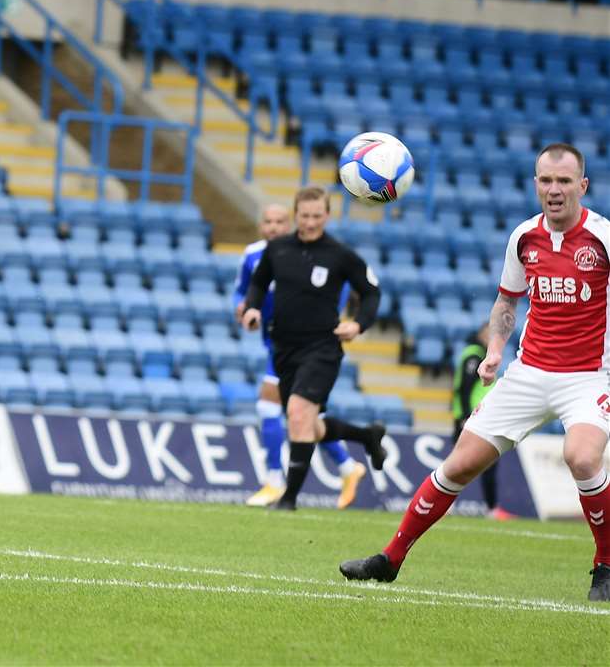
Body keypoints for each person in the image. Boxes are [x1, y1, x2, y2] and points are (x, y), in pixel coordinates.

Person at [342, 143, 610, 602]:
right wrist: (495, 351)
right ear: (535, 184)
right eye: (546, 180)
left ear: (582, 186)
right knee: (458, 465)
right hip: (528, 372)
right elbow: (508, 301)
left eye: (564, 181)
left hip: (589, 376)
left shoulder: (603, 237)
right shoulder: (524, 237)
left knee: (582, 458)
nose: (554, 189)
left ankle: (604, 566)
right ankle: (390, 559)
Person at [240, 185, 388, 510]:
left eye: (316, 216)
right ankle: (366, 436)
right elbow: (258, 283)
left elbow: (372, 292)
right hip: (283, 348)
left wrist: (358, 324)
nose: (309, 223)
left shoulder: (340, 255)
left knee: (297, 412)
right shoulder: (277, 249)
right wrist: (251, 308)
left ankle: (288, 498)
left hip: (322, 347)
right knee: (307, 423)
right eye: (304, 216)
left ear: (327, 215)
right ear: (296, 215)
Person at [451, 323, 512, 520]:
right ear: (482, 334)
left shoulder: (481, 355)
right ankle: (490, 508)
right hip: (471, 417)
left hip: (480, 417)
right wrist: (465, 416)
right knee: (461, 464)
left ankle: (491, 508)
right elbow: (466, 387)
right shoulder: (474, 354)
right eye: (489, 333)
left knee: (480, 464)